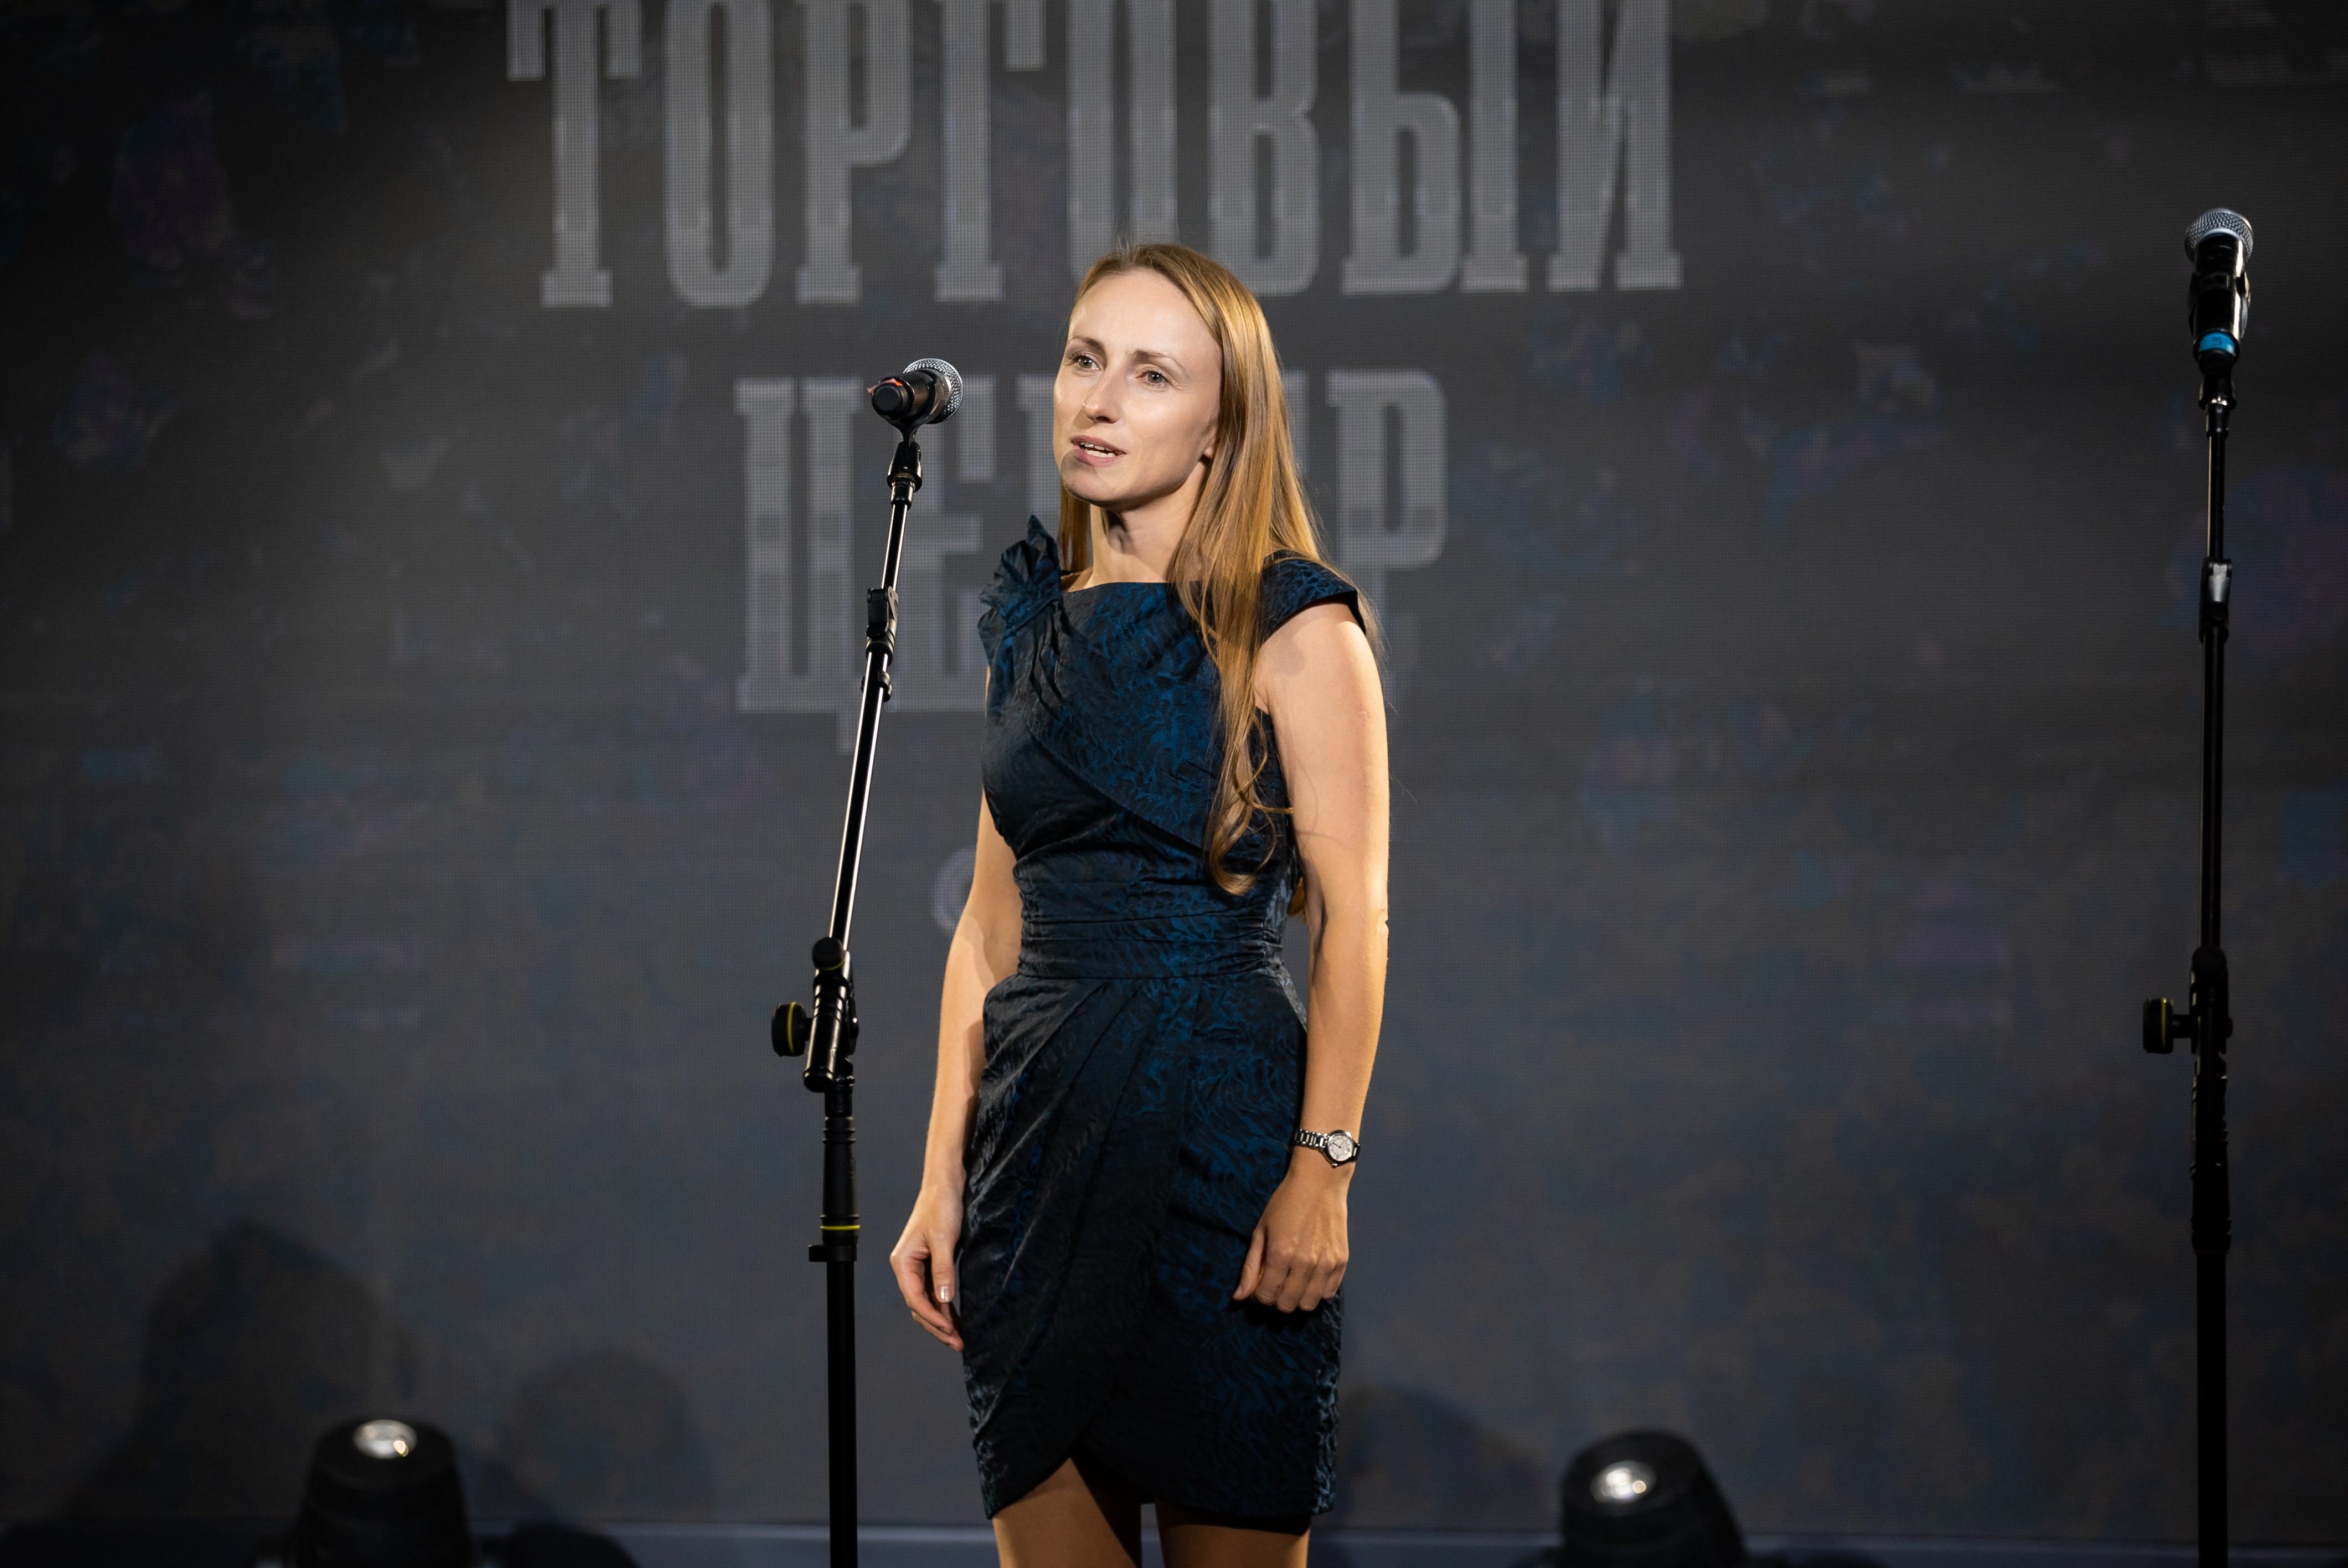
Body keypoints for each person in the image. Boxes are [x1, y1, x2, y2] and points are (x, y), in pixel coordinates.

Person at [889, 241, 1391, 1568]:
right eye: (1083, 360)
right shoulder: (1029, 629)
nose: (1098, 400)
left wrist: (1321, 1172)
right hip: (1034, 1160)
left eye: (1150, 375)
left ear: (1221, 423)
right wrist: (940, 1177)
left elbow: (1354, 922)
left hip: (1219, 1153)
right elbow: (988, 929)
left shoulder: (1298, 627)